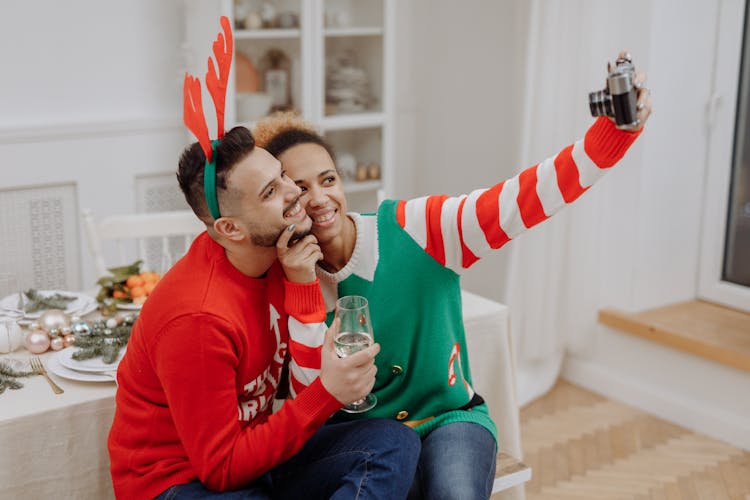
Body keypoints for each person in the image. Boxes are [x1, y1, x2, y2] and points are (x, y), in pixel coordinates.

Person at [252, 54, 653, 499]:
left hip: (451, 421)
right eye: (300, 189)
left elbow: (522, 200)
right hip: (364, 444)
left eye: (328, 180)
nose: (320, 198)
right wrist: (301, 282)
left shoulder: (418, 229)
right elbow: (308, 399)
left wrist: (611, 137)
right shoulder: (287, 275)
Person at [107, 16, 420, 500]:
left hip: (259, 453)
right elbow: (222, 470)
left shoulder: (280, 254)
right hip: (181, 484)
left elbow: (294, 389)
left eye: (282, 175)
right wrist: (326, 395)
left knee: (392, 442)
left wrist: (299, 279)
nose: (298, 193)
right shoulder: (197, 318)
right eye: (274, 190)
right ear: (229, 228)